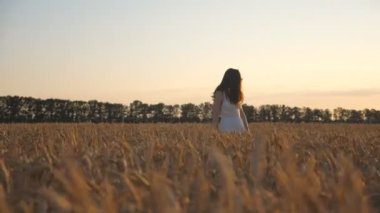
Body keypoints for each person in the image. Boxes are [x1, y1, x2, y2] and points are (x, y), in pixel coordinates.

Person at [212, 68, 249, 133]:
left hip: (240, 128)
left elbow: (242, 113)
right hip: (226, 127)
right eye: (238, 79)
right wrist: (215, 130)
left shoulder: (236, 93)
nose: (240, 80)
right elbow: (215, 113)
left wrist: (247, 129)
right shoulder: (220, 93)